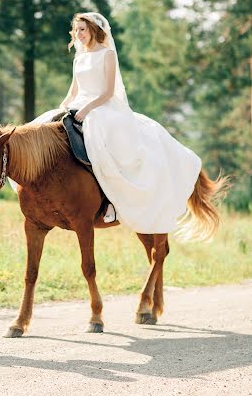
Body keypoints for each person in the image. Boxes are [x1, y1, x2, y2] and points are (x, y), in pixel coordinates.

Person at [33, 12, 202, 233]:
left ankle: (111, 202)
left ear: (93, 29)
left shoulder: (107, 54)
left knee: (98, 141)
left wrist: (86, 110)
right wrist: (61, 108)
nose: (78, 34)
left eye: (82, 29)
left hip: (101, 107)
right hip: (78, 105)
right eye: (76, 30)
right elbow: (73, 91)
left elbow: (108, 91)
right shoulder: (79, 57)